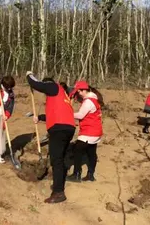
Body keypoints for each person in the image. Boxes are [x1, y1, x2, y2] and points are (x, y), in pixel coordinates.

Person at [27, 72, 75, 204]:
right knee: (60, 157)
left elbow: (34, 83)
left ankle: (58, 192)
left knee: (56, 160)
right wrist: (40, 118)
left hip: (59, 129)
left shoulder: (53, 87)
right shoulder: (61, 95)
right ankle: (58, 183)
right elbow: (55, 113)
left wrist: (29, 75)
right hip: (68, 127)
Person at [66, 81, 103, 183]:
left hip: (89, 131)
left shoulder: (88, 102)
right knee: (91, 152)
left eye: (78, 92)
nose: (77, 95)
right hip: (95, 131)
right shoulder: (94, 99)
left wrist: (67, 114)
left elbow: (81, 115)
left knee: (77, 151)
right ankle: (90, 175)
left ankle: (76, 174)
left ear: (81, 91)